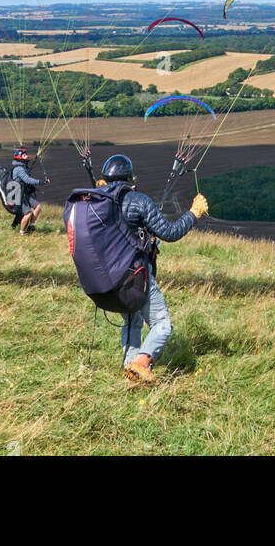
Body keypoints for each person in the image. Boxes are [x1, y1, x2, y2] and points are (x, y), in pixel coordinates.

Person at [99, 153, 207, 385]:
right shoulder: (138, 200)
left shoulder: (98, 203)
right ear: (129, 178)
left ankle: (130, 370)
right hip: (135, 277)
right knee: (162, 324)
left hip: (109, 277)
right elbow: (169, 233)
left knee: (132, 322)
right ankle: (141, 363)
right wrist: (193, 214)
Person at [11, 147, 49, 233]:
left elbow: (27, 171)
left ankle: (31, 227)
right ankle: (22, 233)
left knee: (38, 207)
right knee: (28, 214)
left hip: (26, 192)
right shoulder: (18, 169)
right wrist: (41, 182)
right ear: (20, 158)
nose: (27, 156)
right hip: (19, 194)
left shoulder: (23, 167)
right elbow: (28, 180)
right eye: (24, 155)